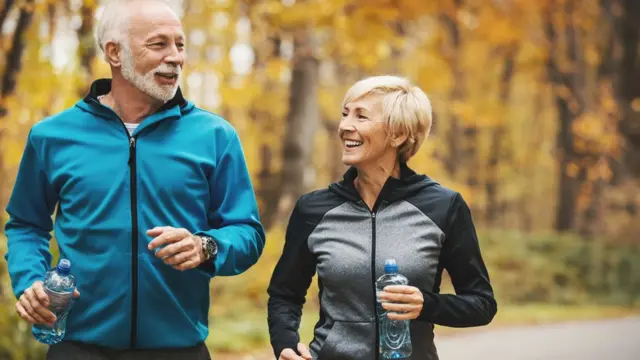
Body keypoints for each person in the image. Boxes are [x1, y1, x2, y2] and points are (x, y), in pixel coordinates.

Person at [4, 0, 265, 359]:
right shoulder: (53, 136)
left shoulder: (215, 136)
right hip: (77, 347)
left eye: (180, 44)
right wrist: (30, 280)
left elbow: (247, 233)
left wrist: (206, 246)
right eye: (159, 45)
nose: (175, 57)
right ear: (115, 53)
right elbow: (25, 224)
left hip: (179, 350)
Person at [266, 75, 497, 360]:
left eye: (361, 116)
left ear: (398, 135)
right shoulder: (314, 209)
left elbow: (482, 304)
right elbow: (284, 295)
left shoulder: (443, 206)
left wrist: (427, 305)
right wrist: (286, 344)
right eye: (345, 114)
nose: (344, 126)